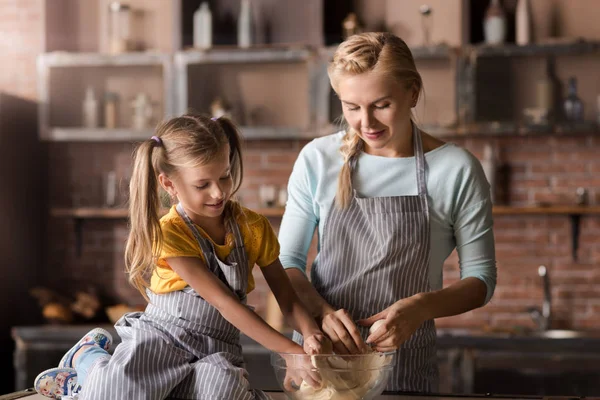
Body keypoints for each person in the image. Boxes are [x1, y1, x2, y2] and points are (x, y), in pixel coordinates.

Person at [34, 113, 332, 400]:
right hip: (163, 340)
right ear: (169, 184)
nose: (219, 193)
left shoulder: (253, 228)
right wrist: (289, 352)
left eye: (225, 176)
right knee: (115, 392)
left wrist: (308, 335)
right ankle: (87, 365)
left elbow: (288, 299)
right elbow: (223, 302)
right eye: (202, 185)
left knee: (223, 392)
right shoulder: (170, 233)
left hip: (219, 347)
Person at [278, 32, 497, 393]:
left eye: (381, 104)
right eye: (351, 107)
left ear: (412, 93)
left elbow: (481, 280)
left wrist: (421, 307)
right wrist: (320, 312)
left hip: (405, 369)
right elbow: (286, 263)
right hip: (322, 364)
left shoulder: (456, 169)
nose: (366, 123)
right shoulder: (317, 160)